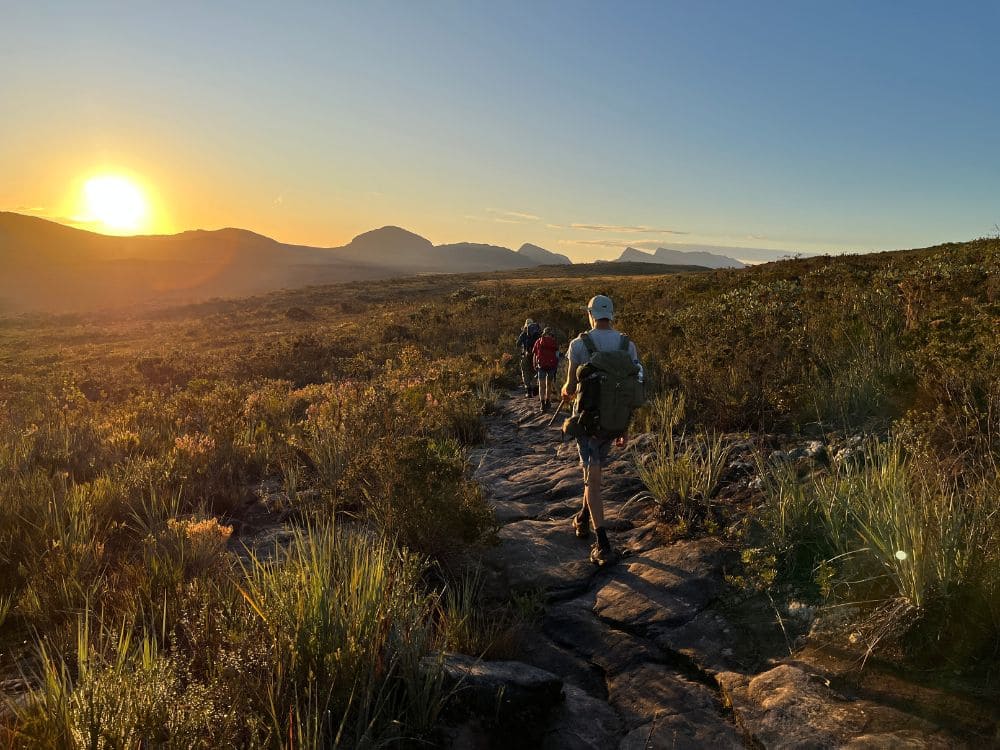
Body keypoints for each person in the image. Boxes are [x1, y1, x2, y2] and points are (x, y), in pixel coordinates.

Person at [561, 295, 642, 566]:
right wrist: (625, 427)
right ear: (612, 315)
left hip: (587, 424)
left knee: (592, 479)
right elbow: (631, 390)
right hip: (613, 422)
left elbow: (571, 386)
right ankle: (583, 519)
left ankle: (603, 545)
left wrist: (565, 391)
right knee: (592, 474)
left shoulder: (579, 344)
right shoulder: (626, 344)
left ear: (590, 314)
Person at [532, 327, 560, 412]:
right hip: (551, 366)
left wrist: (534, 364)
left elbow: (535, 355)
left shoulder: (538, 341)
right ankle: (548, 401)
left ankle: (542, 404)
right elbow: (557, 355)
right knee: (549, 384)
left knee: (541, 385)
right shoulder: (554, 342)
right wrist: (556, 366)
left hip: (541, 366)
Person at [516, 318, 542, 398]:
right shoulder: (537, 333)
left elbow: (518, 344)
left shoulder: (523, 334)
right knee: (534, 371)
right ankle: (534, 388)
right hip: (536, 355)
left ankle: (528, 390)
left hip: (526, 355)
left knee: (525, 372)